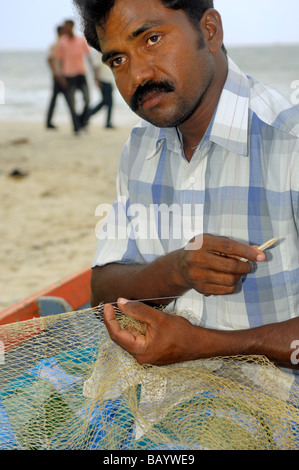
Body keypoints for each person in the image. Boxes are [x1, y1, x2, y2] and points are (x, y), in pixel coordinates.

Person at [73, 0, 299, 379]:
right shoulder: (140, 148)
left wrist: (205, 345)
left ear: (209, 31)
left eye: (152, 39)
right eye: (117, 60)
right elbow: (102, 294)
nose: (137, 76)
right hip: (156, 406)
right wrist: (176, 270)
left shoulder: (289, 143)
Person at [55, 19, 92, 132]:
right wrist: (60, 76)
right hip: (68, 76)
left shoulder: (81, 40)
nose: (66, 29)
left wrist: (95, 73)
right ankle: (76, 127)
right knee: (72, 103)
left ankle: (82, 121)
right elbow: (58, 61)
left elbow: (88, 57)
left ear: (72, 27)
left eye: (67, 26)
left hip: (81, 74)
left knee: (87, 99)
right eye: (64, 27)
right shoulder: (61, 42)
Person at [45, 25, 80, 133]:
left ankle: (49, 121)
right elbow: (50, 60)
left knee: (55, 100)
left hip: (60, 76)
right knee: (69, 101)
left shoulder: (59, 44)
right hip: (61, 77)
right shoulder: (58, 44)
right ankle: (76, 125)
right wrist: (57, 74)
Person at [88, 50, 115, 128]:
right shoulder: (98, 53)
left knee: (110, 102)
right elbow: (96, 67)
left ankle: (108, 122)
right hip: (103, 79)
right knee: (105, 101)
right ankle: (87, 115)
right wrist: (97, 79)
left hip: (109, 79)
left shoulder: (108, 52)